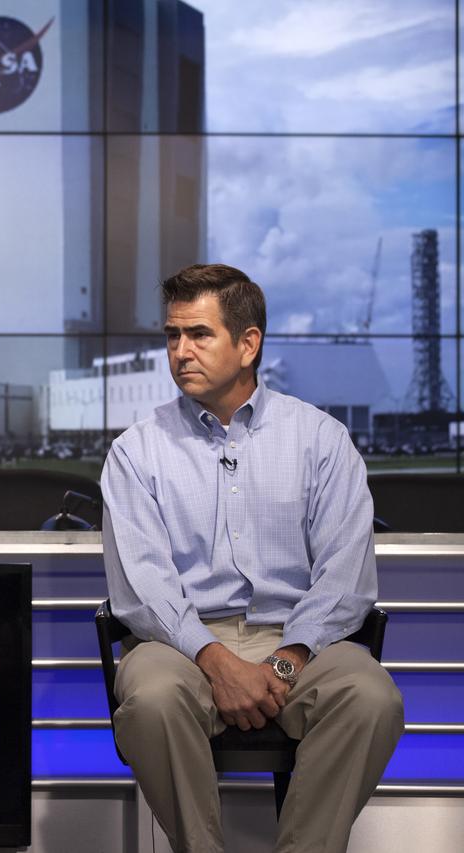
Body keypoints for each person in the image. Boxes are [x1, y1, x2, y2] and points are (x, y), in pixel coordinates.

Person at [101, 263, 404, 853]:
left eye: (198, 334)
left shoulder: (320, 439)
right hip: (182, 646)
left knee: (372, 698)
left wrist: (286, 661)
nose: (180, 351)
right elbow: (143, 587)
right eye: (172, 335)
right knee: (151, 700)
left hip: (301, 640)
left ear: (248, 344)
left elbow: (345, 576)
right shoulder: (136, 451)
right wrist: (216, 660)